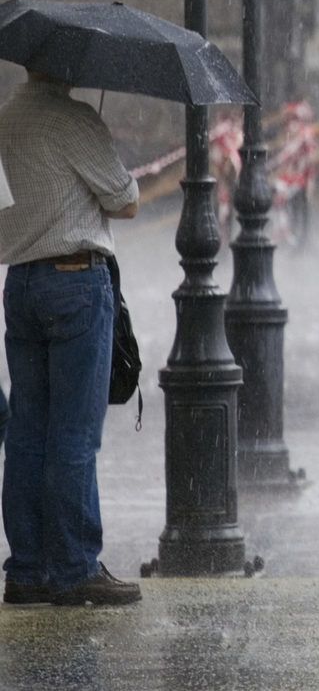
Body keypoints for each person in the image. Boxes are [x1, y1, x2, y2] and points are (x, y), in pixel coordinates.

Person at [0, 71, 142, 607]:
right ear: (68, 67)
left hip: (21, 284)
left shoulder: (4, 120)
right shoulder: (76, 119)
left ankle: (28, 569)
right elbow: (125, 200)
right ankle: (76, 567)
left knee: (28, 429)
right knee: (76, 433)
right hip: (75, 278)